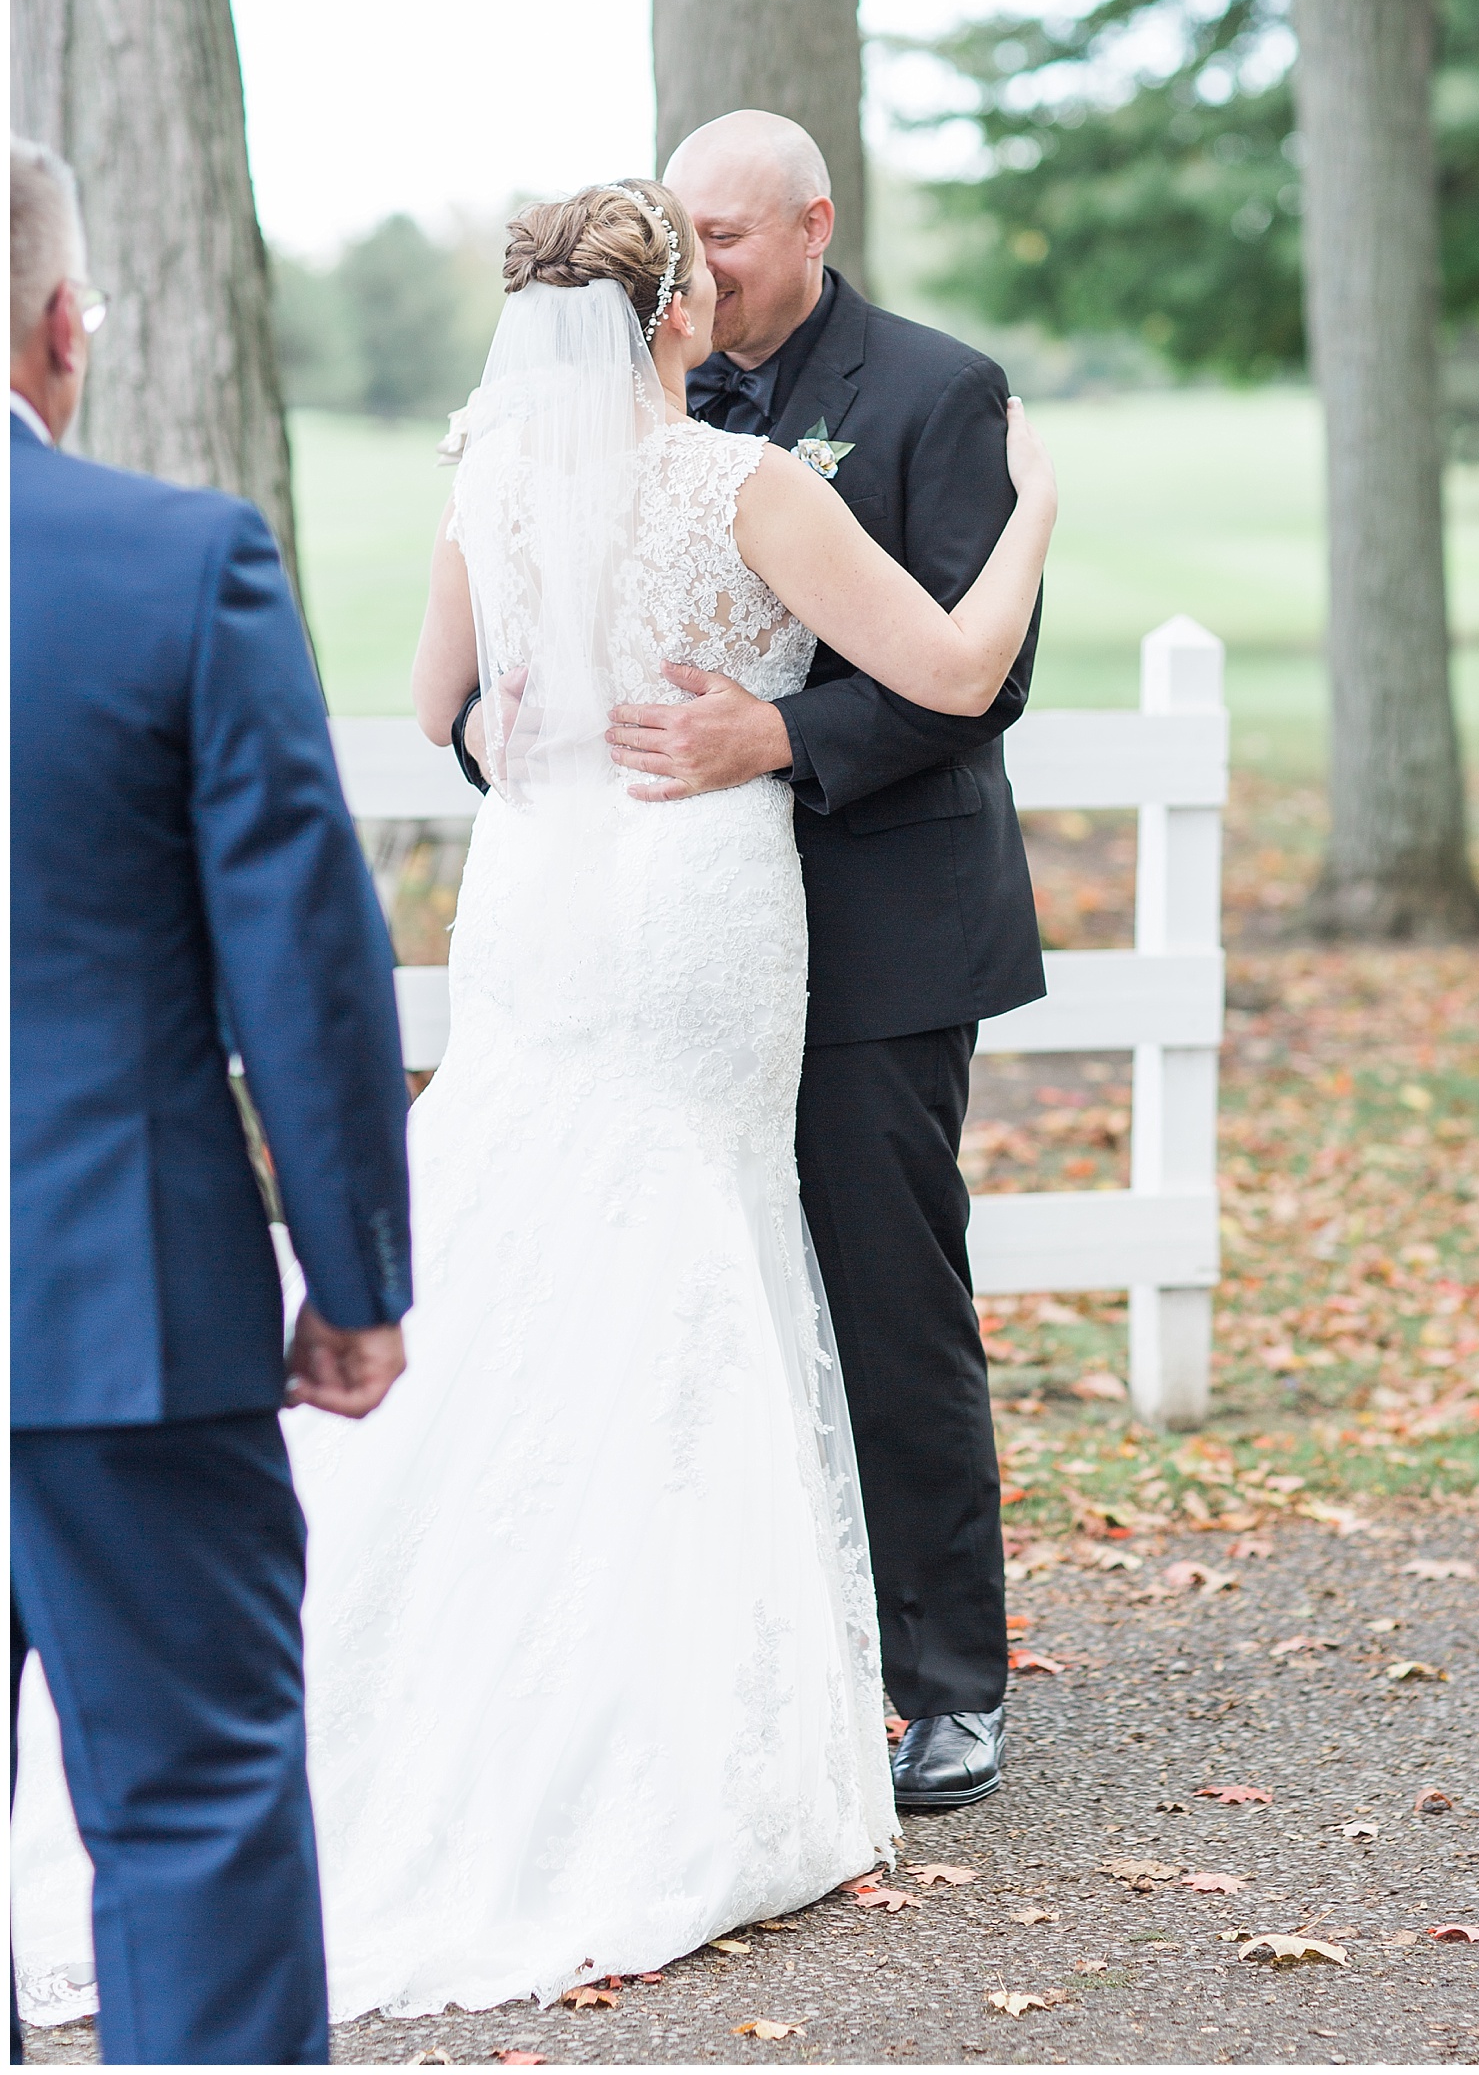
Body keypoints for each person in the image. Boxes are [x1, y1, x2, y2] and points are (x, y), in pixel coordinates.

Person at [16, 178, 1055, 2027]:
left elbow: (442, 707)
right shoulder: (750, 487)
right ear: (672, 317)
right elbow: (959, 668)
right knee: (681, 1247)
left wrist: (548, 736)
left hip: (543, 904)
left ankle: (436, 1657)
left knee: (533, 1225)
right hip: (687, 905)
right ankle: (653, 1732)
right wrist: (1034, 507)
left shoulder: (487, 479)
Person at [9, 134, 413, 2065]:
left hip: (112, 1317)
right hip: (112, 1311)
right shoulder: (175, 566)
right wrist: (355, 1274)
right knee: (188, 1813)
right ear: (61, 324)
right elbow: (301, 957)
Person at [601, 111, 1046, 1810]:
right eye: (680, 240)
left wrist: (773, 740)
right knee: (706, 1281)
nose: (698, 269)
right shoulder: (645, 404)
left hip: (880, 927)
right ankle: (776, 1641)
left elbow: (974, 684)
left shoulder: (941, 391)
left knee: (888, 1290)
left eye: (727, 237)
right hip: (690, 938)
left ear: (813, 221)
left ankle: (950, 1679)